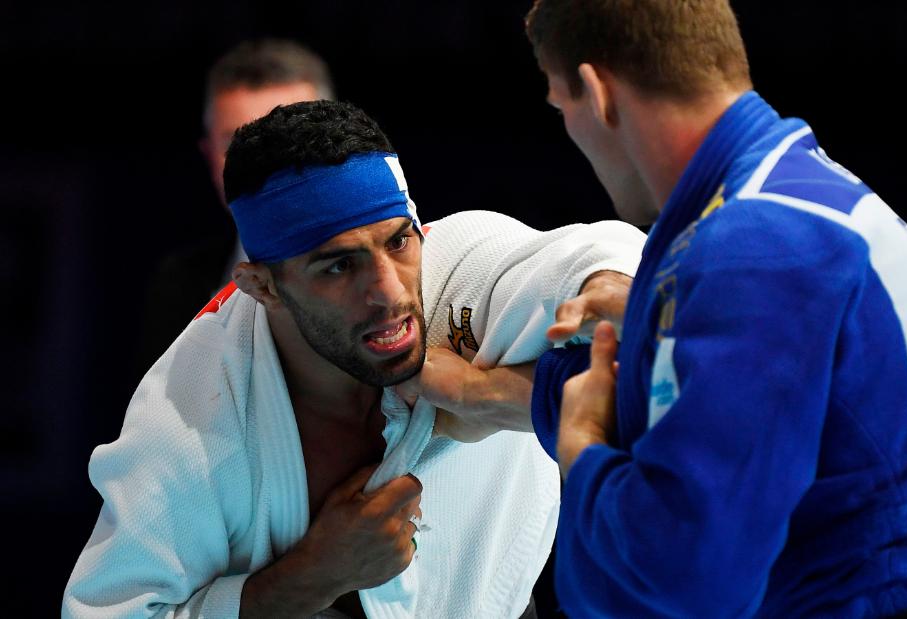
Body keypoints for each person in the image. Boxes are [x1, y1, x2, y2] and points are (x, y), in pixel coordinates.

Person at [410, 1, 907, 616]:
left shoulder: (751, 251)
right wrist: (630, 340)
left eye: (562, 108)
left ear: (600, 92)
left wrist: (580, 448)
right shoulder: (807, 195)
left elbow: (679, 580)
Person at [63, 100, 645, 618]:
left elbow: (592, 252)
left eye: (398, 241)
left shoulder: (462, 273)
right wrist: (313, 577)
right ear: (261, 287)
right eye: (339, 266)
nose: (389, 291)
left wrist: (481, 392)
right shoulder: (193, 420)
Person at [137, 38, 334, 372]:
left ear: (334, 144)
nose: (263, 163)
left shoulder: (402, 272)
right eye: (236, 143)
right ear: (209, 155)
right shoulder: (177, 287)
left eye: (289, 138)